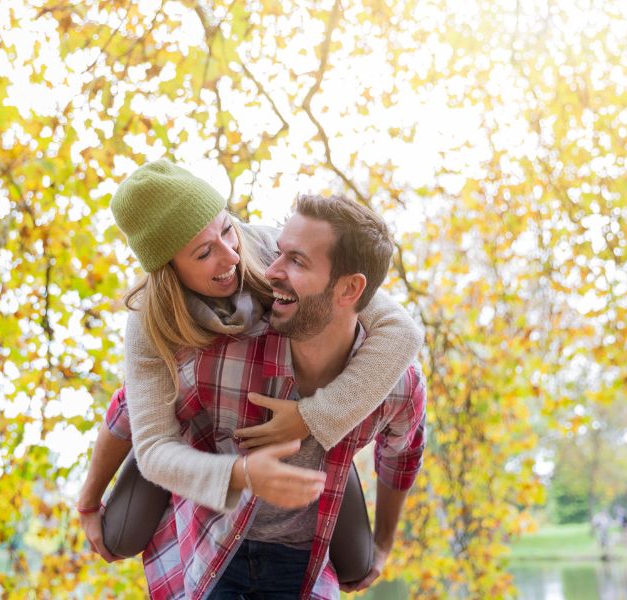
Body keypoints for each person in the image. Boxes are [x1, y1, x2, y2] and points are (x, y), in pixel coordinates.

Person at [78, 161, 423, 556]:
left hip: (296, 423)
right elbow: (136, 416)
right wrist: (89, 499)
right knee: (120, 537)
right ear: (167, 267)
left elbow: (402, 331)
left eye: (227, 229)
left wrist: (314, 418)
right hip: (201, 429)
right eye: (205, 252)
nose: (231, 257)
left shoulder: (266, 251)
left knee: (355, 565)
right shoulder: (150, 321)